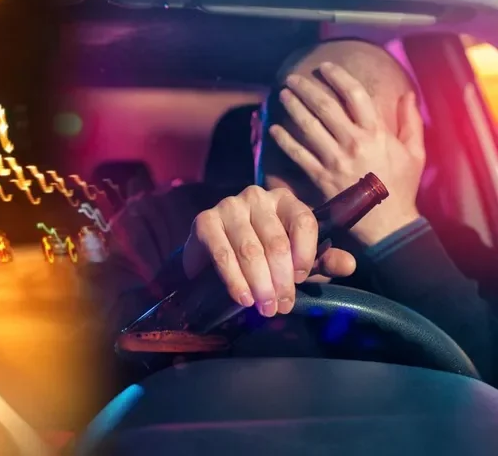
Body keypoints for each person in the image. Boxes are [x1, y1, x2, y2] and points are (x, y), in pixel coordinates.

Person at [90, 38, 498, 385]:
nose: (318, 206)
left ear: (408, 150)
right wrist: (189, 282)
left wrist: (395, 230)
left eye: (354, 163)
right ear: (256, 135)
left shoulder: (450, 249)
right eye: (298, 158)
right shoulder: (160, 222)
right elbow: (87, 371)